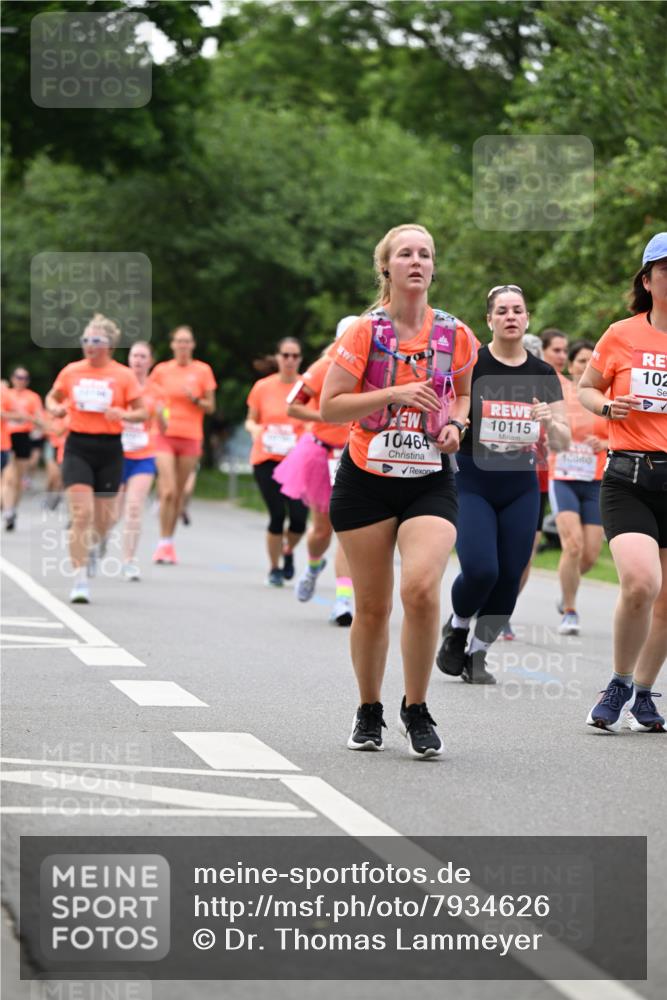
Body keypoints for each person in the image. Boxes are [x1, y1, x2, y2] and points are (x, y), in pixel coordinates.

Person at [321, 223, 476, 758]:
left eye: (425, 254)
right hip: (366, 480)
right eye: (405, 254)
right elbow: (331, 407)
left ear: (434, 267)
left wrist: (457, 425)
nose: (416, 261)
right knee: (371, 606)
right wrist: (395, 391)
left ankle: (416, 707)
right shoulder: (365, 332)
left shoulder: (454, 334)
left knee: (420, 588)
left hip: (429, 480)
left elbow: (462, 397)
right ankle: (369, 708)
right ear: (385, 267)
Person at [436, 284, 569, 684]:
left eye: (518, 310)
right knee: (481, 569)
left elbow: (564, 441)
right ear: (489, 319)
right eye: (503, 311)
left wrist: (549, 421)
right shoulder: (472, 366)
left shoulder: (543, 374)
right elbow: (446, 415)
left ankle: (479, 654)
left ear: (527, 319)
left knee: (511, 573)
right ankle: (458, 626)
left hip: (521, 484)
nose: (511, 316)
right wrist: (460, 423)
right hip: (474, 477)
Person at [579, 232, 667, 733]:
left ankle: (644, 694)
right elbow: (587, 388)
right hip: (629, 475)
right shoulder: (622, 334)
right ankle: (618, 680)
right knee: (640, 583)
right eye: (666, 269)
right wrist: (608, 406)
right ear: (647, 279)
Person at [44, 314, 145, 603]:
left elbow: (142, 412)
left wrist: (124, 414)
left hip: (110, 447)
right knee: (82, 514)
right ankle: (80, 580)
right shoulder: (71, 371)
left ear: (110, 345)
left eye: (96, 341)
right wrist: (56, 408)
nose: (90, 345)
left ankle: (94, 547)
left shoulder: (123, 375)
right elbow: (52, 397)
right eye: (85, 340)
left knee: (105, 519)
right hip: (78, 445)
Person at [274, 316, 357, 625]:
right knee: (322, 530)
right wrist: (326, 415)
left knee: (347, 529)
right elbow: (292, 405)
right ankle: (312, 566)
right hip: (321, 454)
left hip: (355, 456)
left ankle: (343, 600)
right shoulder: (324, 368)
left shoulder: (374, 370)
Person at [548, 340, 607, 635]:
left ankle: (566, 588)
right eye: (581, 361)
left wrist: (605, 443)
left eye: (590, 361)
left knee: (589, 555)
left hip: (595, 480)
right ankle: (570, 610)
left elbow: (623, 434)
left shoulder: (604, 396)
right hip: (564, 476)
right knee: (572, 545)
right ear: (571, 365)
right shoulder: (561, 392)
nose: (585, 366)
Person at [149, 326, 216, 564]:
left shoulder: (202, 370)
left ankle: (169, 542)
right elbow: (150, 398)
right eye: (179, 341)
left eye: (187, 341)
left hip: (190, 436)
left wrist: (195, 399)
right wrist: (157, 412)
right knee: (167, 491)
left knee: (178, 493)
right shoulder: (161, 371)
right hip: (164, 434)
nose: (183, 345)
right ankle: (161, 541)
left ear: (193, 345)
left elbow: (211, 407)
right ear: (172, 345)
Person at [245, 338, 309, 586]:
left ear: (300, 359)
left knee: (299, 519)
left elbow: (316, 420)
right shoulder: (263, 387)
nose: (290, 360)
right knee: (276, 515)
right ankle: (274, 568)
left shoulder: (307, 387)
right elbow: (250, 419)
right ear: (278, 357)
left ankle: (288, 550)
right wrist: (256, 430)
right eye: (286, 355)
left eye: (295, 356)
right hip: (267, 459)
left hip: (297, 461)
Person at [115, 340, 158, 581]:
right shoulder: (119, 384)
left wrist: (162, 418)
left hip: (144, 455)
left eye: (143, 356)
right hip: (117, 454)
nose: (138, 361)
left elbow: (164, 420)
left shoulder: (157, 391)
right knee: (112, 512)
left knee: (134, 508)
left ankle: (129, 560)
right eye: (134, 356)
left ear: (150, 361)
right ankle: (97, 543)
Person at [1, 367, 45, 531]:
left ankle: (12, 509)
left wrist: (35, 422)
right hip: (6, 436)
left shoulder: (33, 397)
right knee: (8, 476)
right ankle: (7, 509)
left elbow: (39, 418)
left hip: (23, 437)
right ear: (12, 378)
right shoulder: (5, 393)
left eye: (25, 378)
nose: (21, 380)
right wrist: (16, 416)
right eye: (18, 377)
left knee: (18, 477)